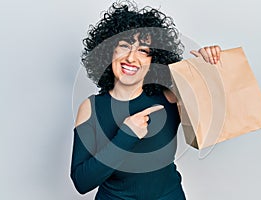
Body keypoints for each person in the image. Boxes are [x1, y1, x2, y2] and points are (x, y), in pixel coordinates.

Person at [70, 1, 221, 199]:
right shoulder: (91, 108)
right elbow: (82, 182)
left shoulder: (170, 97)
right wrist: (127, 135)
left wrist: (210, 67)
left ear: (154, 60)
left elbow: (219, 113)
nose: (132, 58)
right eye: (124, 46)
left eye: (143, 51)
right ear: (109, 52)